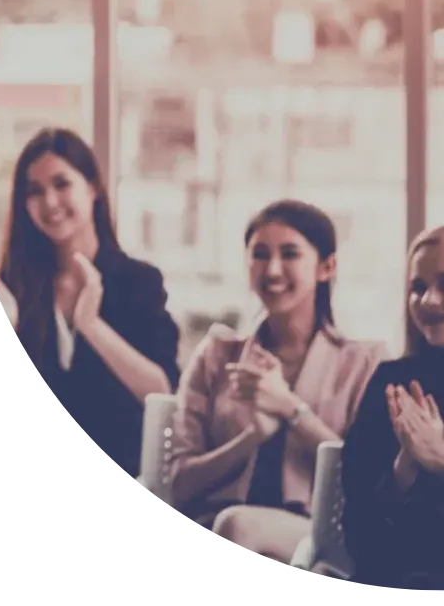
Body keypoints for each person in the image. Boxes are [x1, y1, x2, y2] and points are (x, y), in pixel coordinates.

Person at [169, 200, 386, 566]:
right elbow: (178, 485)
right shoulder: (216, 355)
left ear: (325, 267)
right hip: (214, 523)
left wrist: (291, 409)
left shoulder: (364, 362)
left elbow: (369, 477)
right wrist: (250, 438)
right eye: (259, 254)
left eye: (289, 254)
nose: (272, 269)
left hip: (317, 535)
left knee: (239, 526)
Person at [0, 127, 180, 479]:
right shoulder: (14, 288)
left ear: (92, 188)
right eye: (35, 191)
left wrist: (91, 326)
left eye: (61, 184)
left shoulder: (138, 281)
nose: (49, 202)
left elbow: (161, 391)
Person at [341, 225, 444, 593]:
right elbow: (358, 535)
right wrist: (404, 471)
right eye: (418, 287)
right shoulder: (391, 383)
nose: (429, 301)